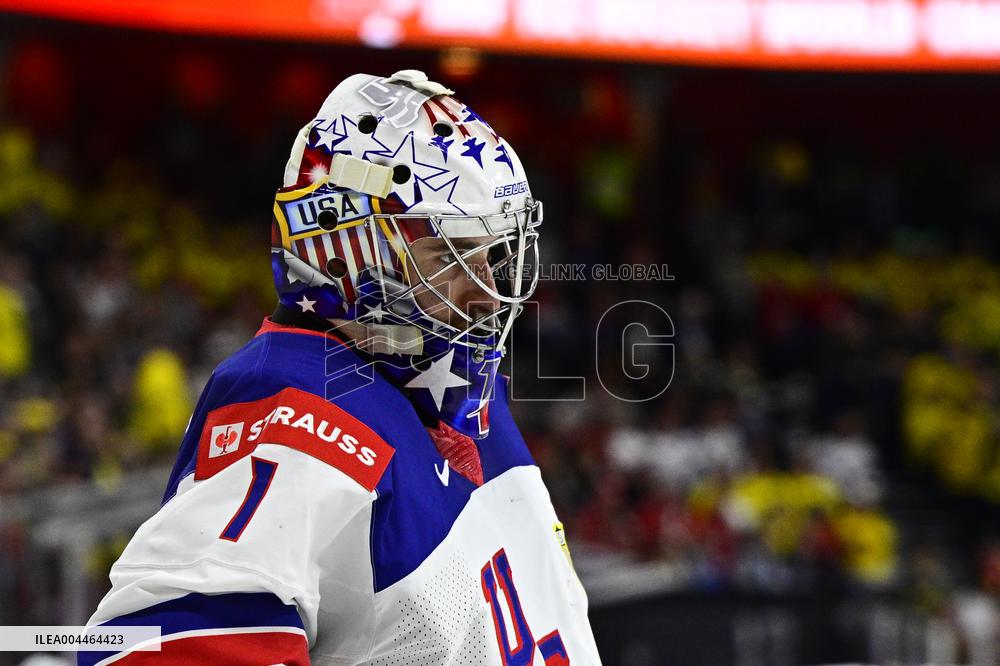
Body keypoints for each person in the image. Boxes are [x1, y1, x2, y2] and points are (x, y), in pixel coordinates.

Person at [81, 70, 601, 665]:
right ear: (343, 244)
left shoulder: (459, 393)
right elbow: (157, 650)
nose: (486, 294)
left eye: (495, 256)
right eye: (448, 256)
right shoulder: (298, 413)